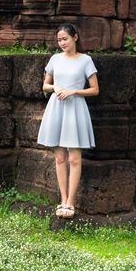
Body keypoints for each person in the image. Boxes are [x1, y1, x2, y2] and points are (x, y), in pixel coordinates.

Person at [36, 23, 99, 218]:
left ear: (75, 38)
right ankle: (62, 200)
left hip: (75, 108)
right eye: (59, 40)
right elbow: (45, 85)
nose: (62, 43)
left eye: (65, 39)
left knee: (74, 158)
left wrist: (73, 91)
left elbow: (95, 89)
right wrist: (56, 88)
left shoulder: (85, 60)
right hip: (57, 107)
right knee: (60, 157)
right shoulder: (55, 59)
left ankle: (71, 202)